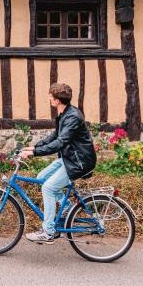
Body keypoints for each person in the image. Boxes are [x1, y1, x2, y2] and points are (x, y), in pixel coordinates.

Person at [20, 83, 97, 244]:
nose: (49, 99)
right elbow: (55, 136)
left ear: (57, 100)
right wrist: (34, 146)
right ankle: (66, 206)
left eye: (50, 97)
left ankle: (48, 231)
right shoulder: (64, 114)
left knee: (48, 188)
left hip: (80, 162)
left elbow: (61, 142)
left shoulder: (73, 117)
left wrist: (34, 153)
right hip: (70, 158)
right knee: (42, 177)